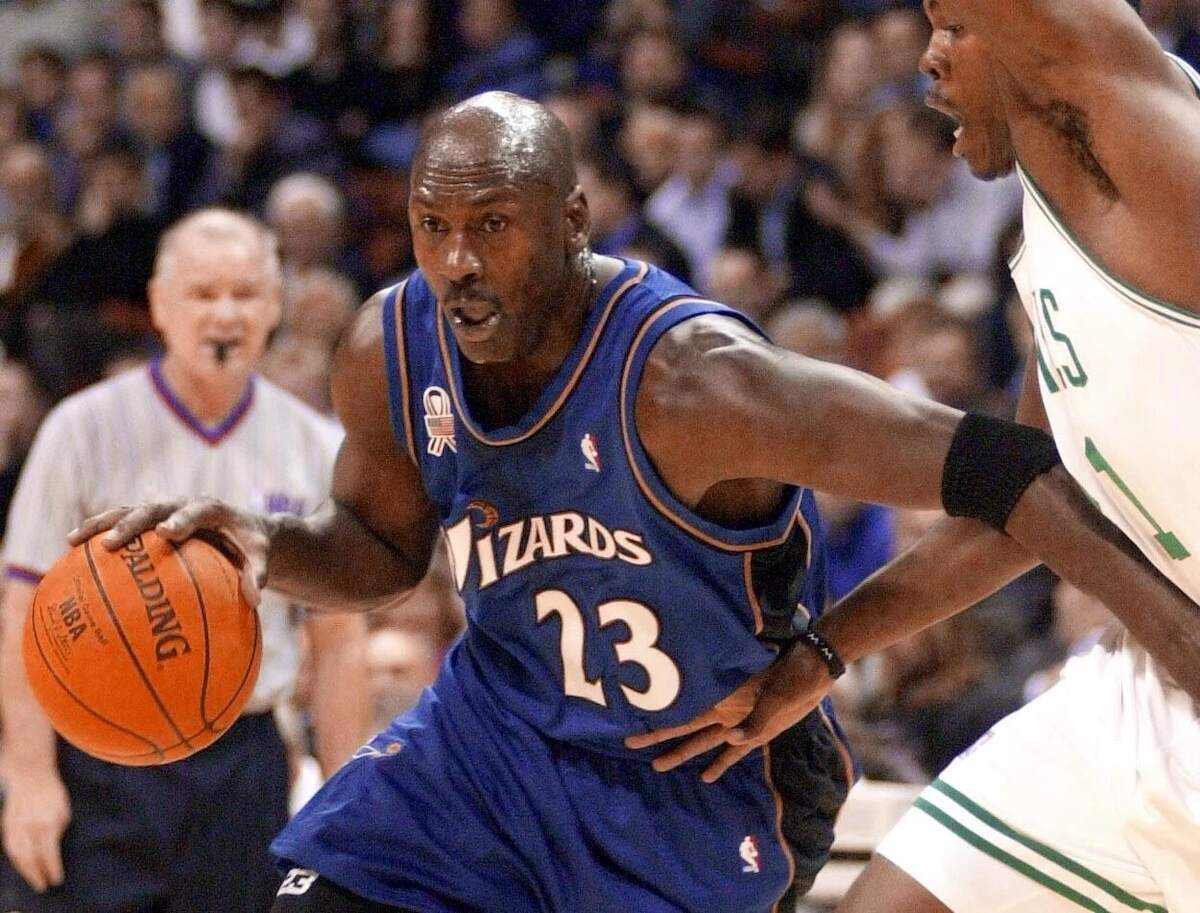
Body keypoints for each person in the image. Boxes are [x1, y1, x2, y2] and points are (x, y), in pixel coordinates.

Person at [73, 92, 1200, 913]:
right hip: (494, 746)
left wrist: (1173, 640)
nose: (454, 260)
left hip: (696, 777)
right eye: (431, 225)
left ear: (571, 223)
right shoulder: (392, 343)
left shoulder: (700, 383)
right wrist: (258, 545)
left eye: (492, 226)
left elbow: (1008, 472)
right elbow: (377, 550)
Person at [634, 2, 1200, 911]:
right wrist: (817, 657)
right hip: (1147, 691)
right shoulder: (1055, 234)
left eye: (956, 27)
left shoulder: (1162, 148)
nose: (929, 62)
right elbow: (1022, 512)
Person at [0, 208, 372, 913]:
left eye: (243, 293)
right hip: (98, 752)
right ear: (159, 306)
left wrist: (342, 799)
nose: (224, 313)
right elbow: (21, 607)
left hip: (246, 756)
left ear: (274, 307)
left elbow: (339, 640)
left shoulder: (316, 445)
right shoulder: (81, 428)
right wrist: (29, 775)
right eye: (202, 294)